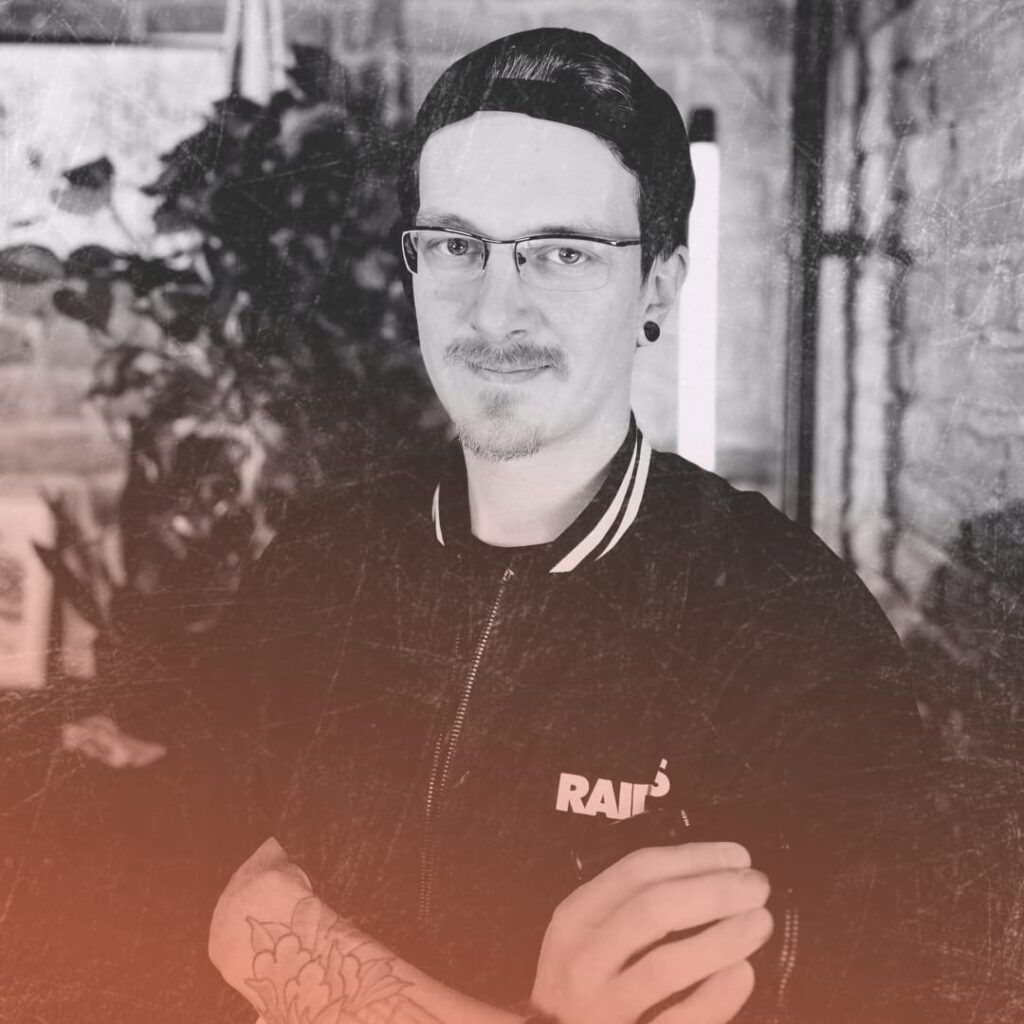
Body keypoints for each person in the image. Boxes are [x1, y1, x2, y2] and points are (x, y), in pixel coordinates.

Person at [207, 27, 940, 1024]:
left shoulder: (790, 623)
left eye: (561, 252)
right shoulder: (319, 559)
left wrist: (293, 951)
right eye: (457, 245)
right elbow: (174, 898)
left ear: (657, 286)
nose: (494, 311)